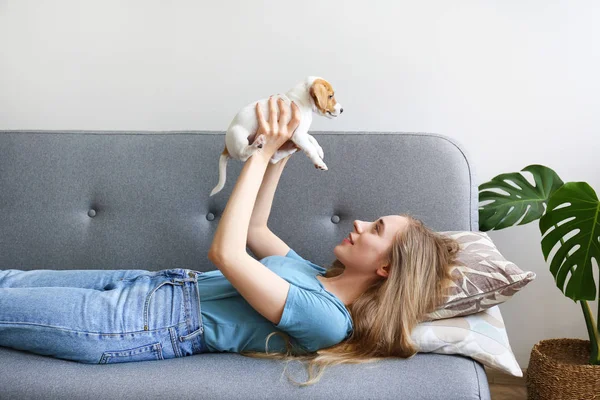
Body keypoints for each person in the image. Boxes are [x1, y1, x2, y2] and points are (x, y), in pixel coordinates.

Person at [0, 96, 461, 387]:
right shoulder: (315, 275)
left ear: (386, 269)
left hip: (136, 323)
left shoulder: (327, 320)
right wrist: (281, 154)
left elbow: (226, 252)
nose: (360, 224)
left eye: (376, 230)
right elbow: (257, 232)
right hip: (148, 285)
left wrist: (258, 155)